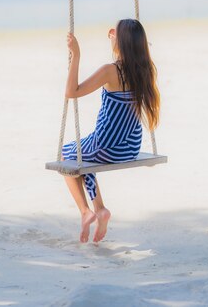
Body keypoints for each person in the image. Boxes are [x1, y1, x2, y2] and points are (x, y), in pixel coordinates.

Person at [62, 18, 160, 243]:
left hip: (107, 146)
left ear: (122, 42)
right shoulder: (145, 71)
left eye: (113, 33)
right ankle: (100, 209)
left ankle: (87, 212)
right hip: (130, 148)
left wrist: (76, 54)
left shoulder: (110, 71)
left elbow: (71, 92)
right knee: (85, 155)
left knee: (68, 155)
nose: (110, 34)